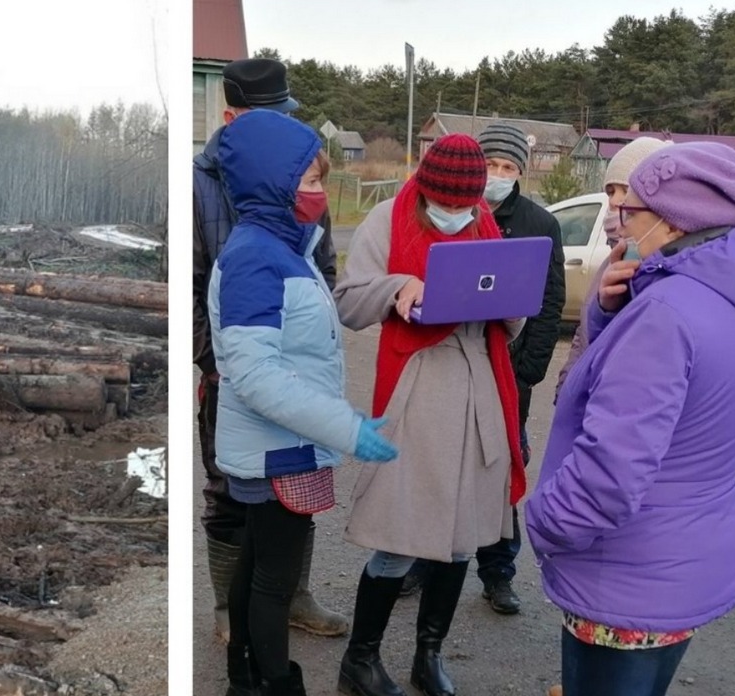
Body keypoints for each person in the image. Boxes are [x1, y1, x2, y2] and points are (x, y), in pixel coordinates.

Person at [526, 142, 735, 696]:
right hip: (684, 561)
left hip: (622, 574)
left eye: (629, 211)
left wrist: (544, 521)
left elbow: (608, 475)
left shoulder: (664, 315)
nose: (617, 223)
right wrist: (604, 313)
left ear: (675, 221)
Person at [210, 109, 399, 696]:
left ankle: (244, 676)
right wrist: (345, 427)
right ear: (272, 184)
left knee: (256, 565)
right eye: (312, 182)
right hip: (278, 450)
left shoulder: (283, 247)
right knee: (275, 579)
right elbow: (257, 376)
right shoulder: (254, 259)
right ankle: (274, 683)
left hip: (282, 443)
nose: (320, 195)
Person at [333, 134, 527, 696]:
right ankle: (359, 660)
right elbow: (347, 300)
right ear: (424, 186)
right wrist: (398, 287)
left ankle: (429, 653)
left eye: (466, 206)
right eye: (445, 204)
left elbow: (509, 318)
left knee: (464, 533)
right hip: (415, 384)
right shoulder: (386, 217)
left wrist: (510, 300)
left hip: (478, 384)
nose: (456, 214)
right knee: (399, 534)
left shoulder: (485, 220)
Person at [194, 57, 346, 644]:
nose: (281, 129)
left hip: (295, 371)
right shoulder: (199, 185)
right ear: (232, 118)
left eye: (286, 116)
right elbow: (188, 286)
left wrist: (314, 339)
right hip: (231, 372)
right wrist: (216, 365)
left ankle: (292, 595)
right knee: (229, 490)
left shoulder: (301, 173)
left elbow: (321, 262)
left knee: (297, 487)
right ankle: (233, 611)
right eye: (268, 117)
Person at [398, 122, 564, 616]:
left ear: (521, 174)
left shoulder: (540, 223)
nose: (498, 175)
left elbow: (548, 299)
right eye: (491, 165)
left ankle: (498, 573)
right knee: (441, 469)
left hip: (508, 375)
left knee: (500, 471)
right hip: (453, 367)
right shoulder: (451, 214)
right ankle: (424, 562)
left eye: (509, 168)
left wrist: (528, 367)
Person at [554, 136, 668, 399]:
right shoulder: (612, 257)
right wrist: (566, 388)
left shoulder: (659, 266)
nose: (615, 201)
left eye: (625, 190)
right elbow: (582, 337)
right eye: (610, 191)